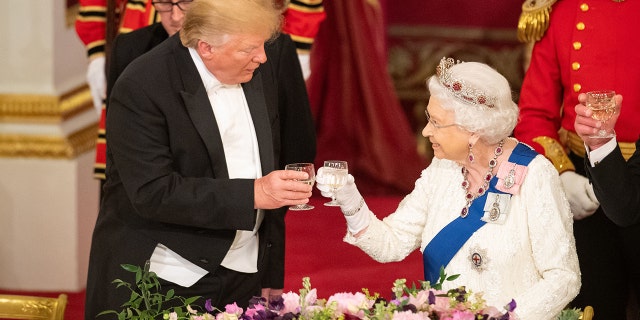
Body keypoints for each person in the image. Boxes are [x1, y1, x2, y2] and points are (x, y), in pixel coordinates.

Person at [83, 0, 317, 318]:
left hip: (243, 274)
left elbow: (273, 162)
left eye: (262, 45)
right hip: (164, 274)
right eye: (250, 49)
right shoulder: (141, 85)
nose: (262, 57)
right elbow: (154, 192)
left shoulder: (257, 67)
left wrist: (270, 269)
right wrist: (255, 192)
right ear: (206, 48)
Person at [316, 57, 580, 320]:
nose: (425, 131)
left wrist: (504, 317)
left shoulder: (535, 174)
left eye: (437, 123)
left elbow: (563, 277)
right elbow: (391, 243)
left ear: (474, 130)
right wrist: (349, 199)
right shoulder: (442, 170)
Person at [514, 0, 640, 317]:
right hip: (584, 183)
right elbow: (534, 113)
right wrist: (561, 173)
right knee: (590, 307)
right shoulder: (563, 10)